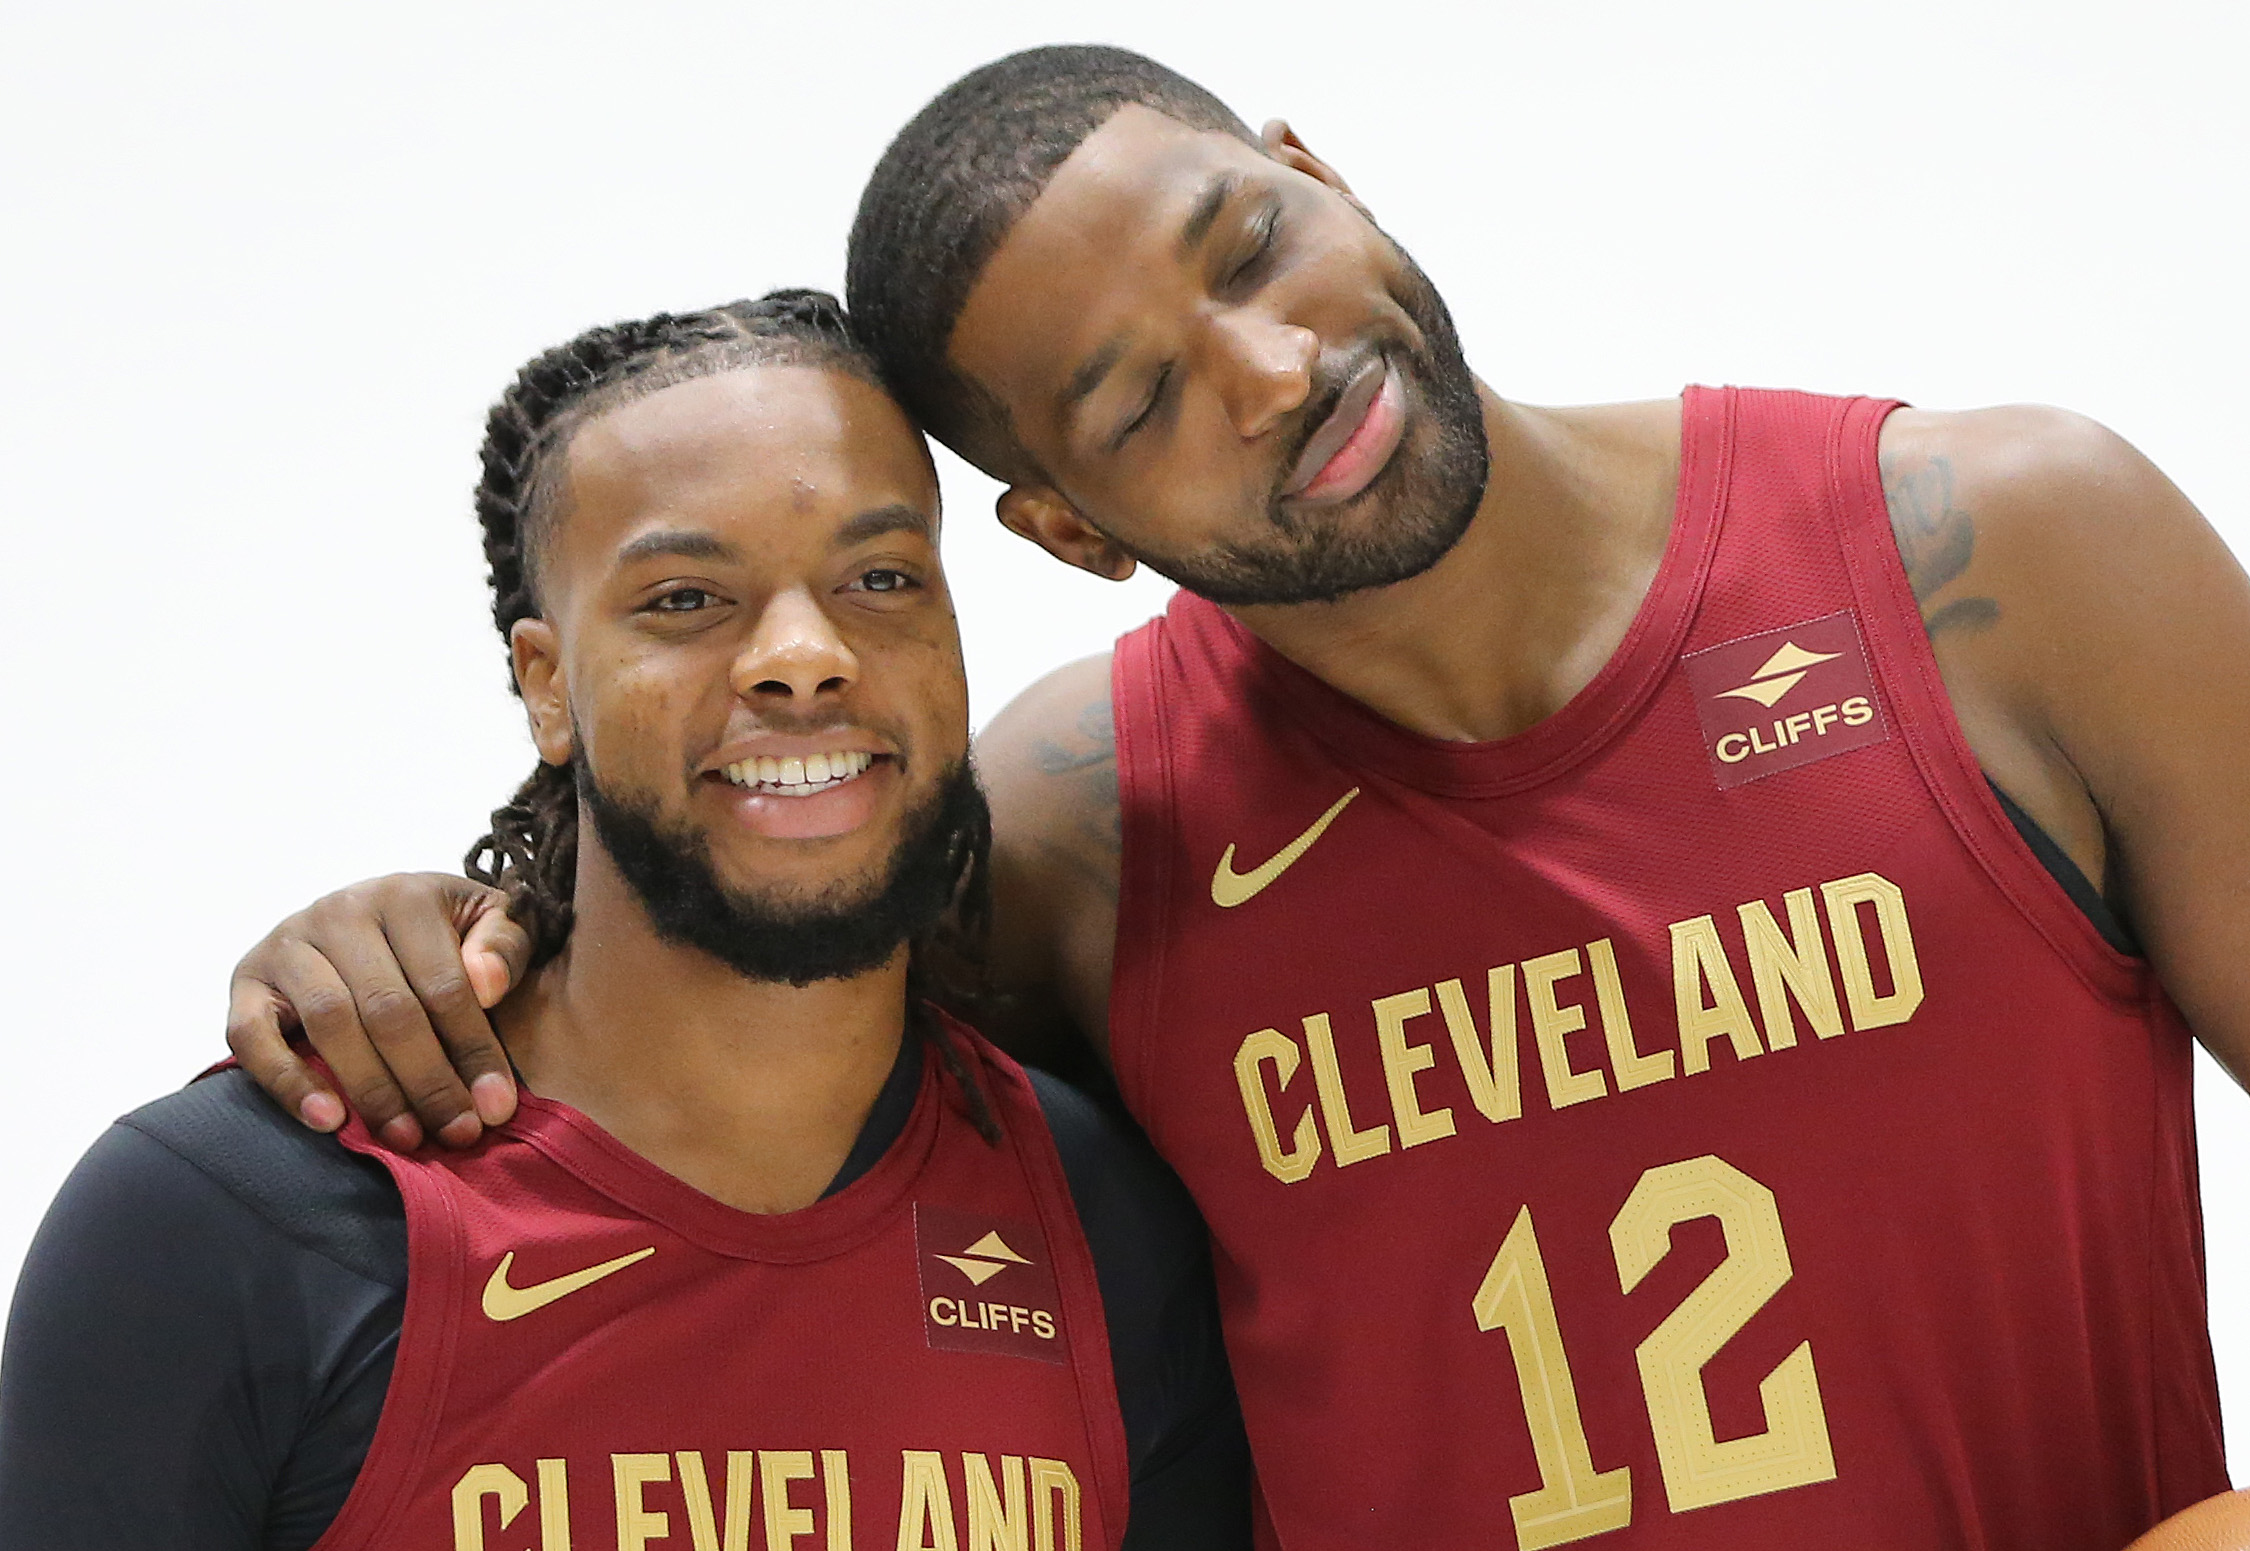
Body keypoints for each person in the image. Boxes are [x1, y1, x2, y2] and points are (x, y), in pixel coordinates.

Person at [215, 46, 2248, 1550]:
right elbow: (715, 1079)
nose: (1272, 369)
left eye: (1252, 245)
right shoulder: (1073, 832)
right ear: (1068, 530)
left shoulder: (2002, 557)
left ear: (1317, 168)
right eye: (1135, 402)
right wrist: (428, 923)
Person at [0, 292, 1251, 1549]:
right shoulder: (232, 1223)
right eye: (685, 600)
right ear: (548, 684)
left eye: (880, 578)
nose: (805, 655)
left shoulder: (1109, 1228)